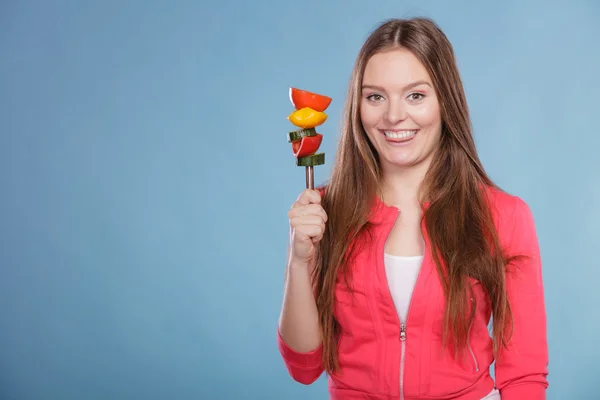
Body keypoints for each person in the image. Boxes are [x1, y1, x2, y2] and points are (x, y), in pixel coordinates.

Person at [277, 17, 549, 400]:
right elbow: (305, 368)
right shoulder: (325, 213)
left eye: (415, 95)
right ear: (358, 106)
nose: (393, 116)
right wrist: (299, 261)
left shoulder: (504, 215)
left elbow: (525, 376)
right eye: (375, 97)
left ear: (444, 101)